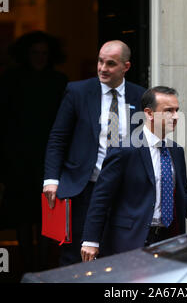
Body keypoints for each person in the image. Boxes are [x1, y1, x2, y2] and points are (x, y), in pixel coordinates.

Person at [43, 40, 146, 266]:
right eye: (100, 61)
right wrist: (51, 179)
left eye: (110, 63)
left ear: (125, 67)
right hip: (84, 188)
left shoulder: (140, 96)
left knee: (117, 253)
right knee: (75, 254)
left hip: (123, 191)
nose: (102, 68)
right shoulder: (78, 91)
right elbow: (58, 137)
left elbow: (145, 146)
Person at [80, 86, 187, 262]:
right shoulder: (124, 150)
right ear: (149, 113)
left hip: (169, 240)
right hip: (131, 240)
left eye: (177, 110)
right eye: (168, 111)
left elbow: (182, 190)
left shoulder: (176, 150)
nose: (176, 116)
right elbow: (101, 197)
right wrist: (91, 240)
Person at [0, 31, 69, 272]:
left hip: (49, 156)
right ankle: (28, 264)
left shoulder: (59, 81)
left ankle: (45, 264)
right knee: (22, 214)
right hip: (19, 156)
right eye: (35, 53)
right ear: (26, 54)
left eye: (44, 53)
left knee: (48, 211)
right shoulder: (11, 79)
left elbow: (67, 120)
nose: (40, 57)